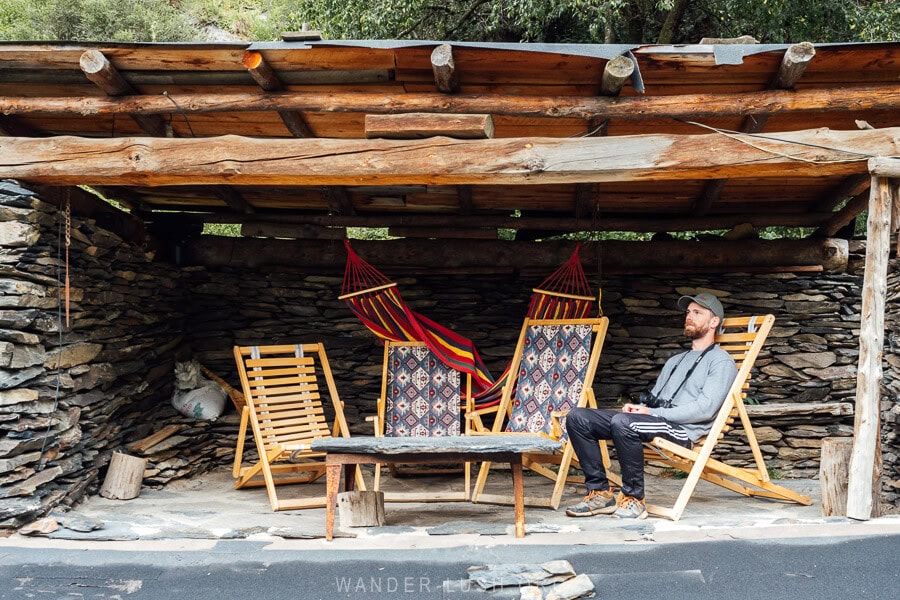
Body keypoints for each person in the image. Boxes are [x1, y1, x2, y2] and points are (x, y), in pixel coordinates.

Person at [564, 292, 738, 519]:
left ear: (714, 322)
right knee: (578, 417)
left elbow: (705, 409)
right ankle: (600, 493)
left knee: (623, 423)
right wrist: (638, 408)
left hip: (682, 431)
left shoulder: (721, 362)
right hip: (656, 421)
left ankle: (634, 500)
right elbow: (654, 399)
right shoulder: (676, 361)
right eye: (688, 312)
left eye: (697, 313)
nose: (689, 317)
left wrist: (651, 412)